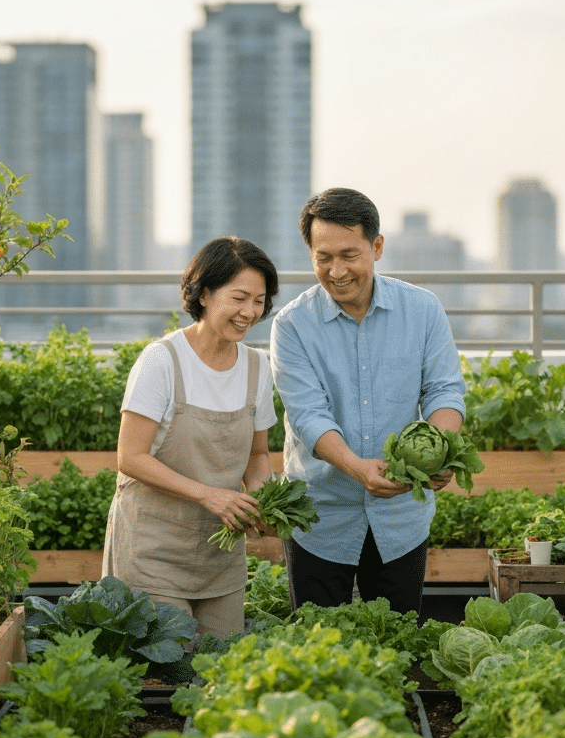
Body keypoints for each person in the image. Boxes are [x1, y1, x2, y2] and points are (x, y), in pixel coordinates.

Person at [269, 187, 465, 616]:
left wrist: (438, 452)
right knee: (318, 652)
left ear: (377, 247)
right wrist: (357, 468)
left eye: (349, 254)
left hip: (401, 518)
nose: (336, 271)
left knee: (398, 646)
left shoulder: (423, 310)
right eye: (323, 257)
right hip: (319, 515)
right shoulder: (292, 326)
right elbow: (307, 415)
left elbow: (445, 391)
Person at [102, 236, 279, 640]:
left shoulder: (257, 367)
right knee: (169, 674)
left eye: (259, 301)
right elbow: (130, 457)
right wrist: (209, 495)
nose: (249, 312)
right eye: (239, 298)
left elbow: (257, 456)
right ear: (203, 293)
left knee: (223, 674)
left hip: (220, 557)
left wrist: (267, 500)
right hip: (154, 551)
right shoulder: (162, 360)